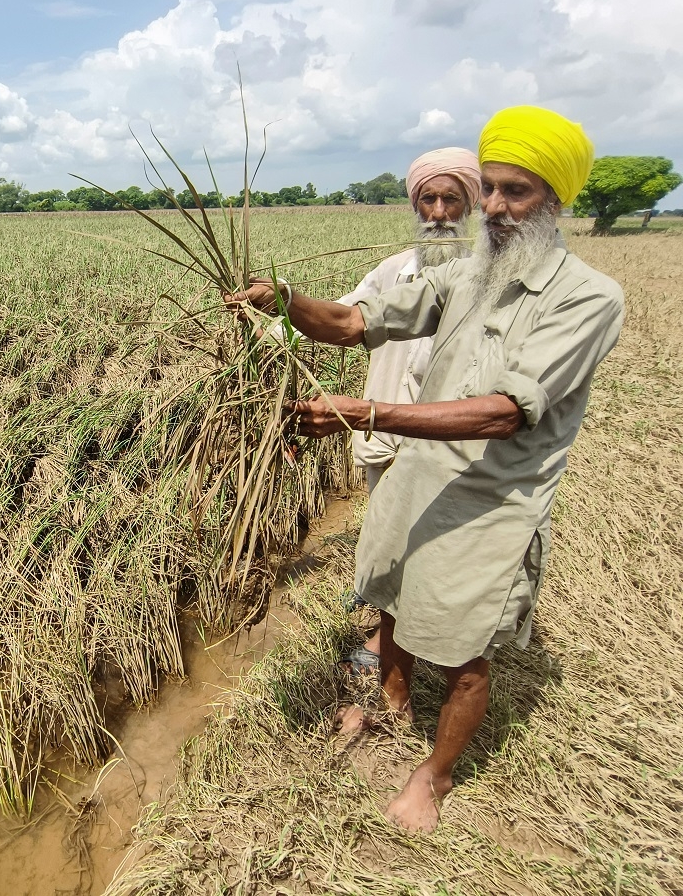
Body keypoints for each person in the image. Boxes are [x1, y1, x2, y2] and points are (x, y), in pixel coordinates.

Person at [227, 105, 623, 832]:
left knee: (463, 652)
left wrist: (368, 414)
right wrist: (284, 299)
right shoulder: (465, 275)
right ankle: (393, 704)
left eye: (517, 192)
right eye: (493, 188)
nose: (495, 208)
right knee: (396, 604)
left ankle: (434, 778)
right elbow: (353, 323)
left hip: (492, 501)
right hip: (418, 475)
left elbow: (505, 411)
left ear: (556, 201)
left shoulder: (590, 299)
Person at [332, 148, 482, 676]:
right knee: (387, 532)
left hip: (450, 439)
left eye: (451, 199)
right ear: (414, 204)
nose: (439, 212)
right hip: (383, 434)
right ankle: (388, 627)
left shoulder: (488, 281)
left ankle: (404, 644)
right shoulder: (393, 270)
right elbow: (344, 317)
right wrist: (276, 316)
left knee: (435, 543)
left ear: (474, 204)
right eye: (428, 199)